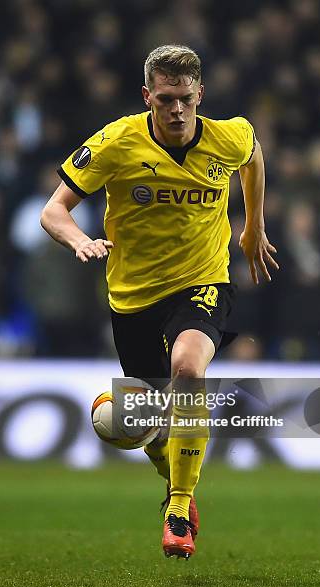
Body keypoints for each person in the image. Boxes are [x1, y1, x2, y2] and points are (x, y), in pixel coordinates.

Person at [40, 44, 278, 559]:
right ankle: (175, 476)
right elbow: (53, 211)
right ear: (148, 96)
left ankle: (178, 507)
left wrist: (253, 226)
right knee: (144, 427)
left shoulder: (226, 135)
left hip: (202, 282)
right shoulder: (115, 142)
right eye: (166, 99)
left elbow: (253, 153)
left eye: (186, 99)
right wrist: (79, 240)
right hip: (132, 298)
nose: (176, 110)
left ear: (201, 95)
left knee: (188, 367)